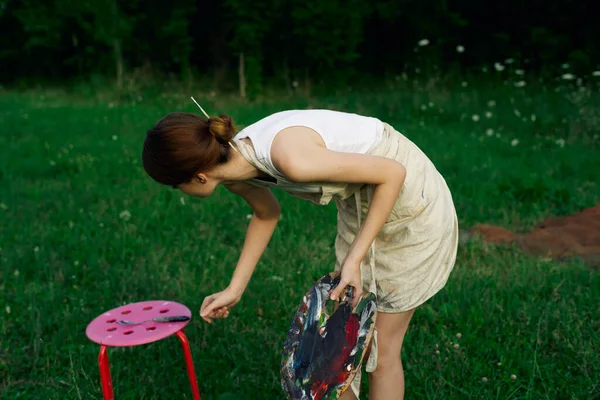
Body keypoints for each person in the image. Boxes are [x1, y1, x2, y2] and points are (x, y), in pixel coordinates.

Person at [141, 105, 458, 400]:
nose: (178, 191)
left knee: (380, 348)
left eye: (174, 185)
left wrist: (354, 258)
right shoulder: (234, 168)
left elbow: (394, 173)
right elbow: (266, 214)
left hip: (410, 205)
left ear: (198, 176)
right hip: (363, 205)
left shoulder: (290, 158)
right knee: (341, 348)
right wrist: (234, 289)